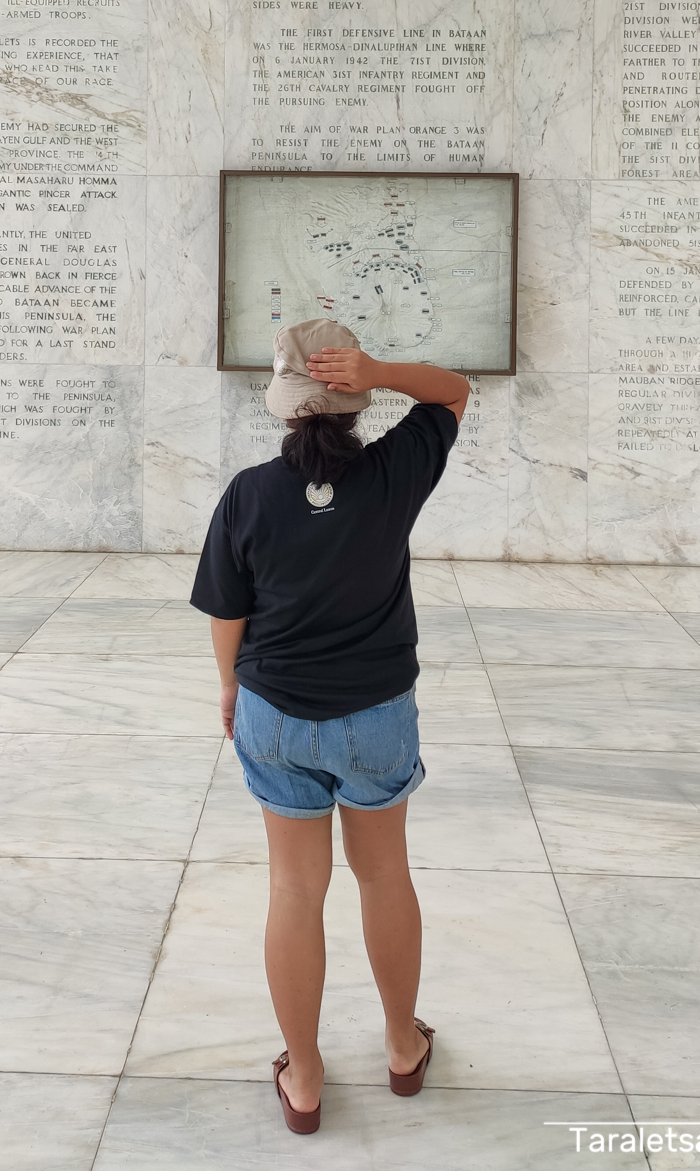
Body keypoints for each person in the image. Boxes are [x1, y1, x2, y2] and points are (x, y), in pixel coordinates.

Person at [190, 318, 469, 1134]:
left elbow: (227, 613)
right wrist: (382, 369)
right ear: (354, 404)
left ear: (283, 409)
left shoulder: (249, 492)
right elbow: (453, 391)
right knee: (384, 877)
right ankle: (400, 1046)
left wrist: (229, 691)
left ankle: (304, 1078)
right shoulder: (395, 473)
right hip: (377, 715)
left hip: (275, 713)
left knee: (293, 890)